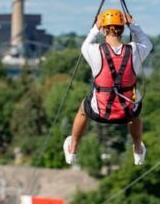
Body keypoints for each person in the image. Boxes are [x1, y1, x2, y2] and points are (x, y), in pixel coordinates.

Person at [63, 9, 153, 166]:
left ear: (104, 29)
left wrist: (95, 27)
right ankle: (138, 149)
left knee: (83, 110)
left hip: (100, 111)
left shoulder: (95, 51)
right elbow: (147, 43)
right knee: (136, 113)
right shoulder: (134, 50)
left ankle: (73, 149)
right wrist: (133, 25)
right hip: (127, 112)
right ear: (122, 29)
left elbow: (85, 45)